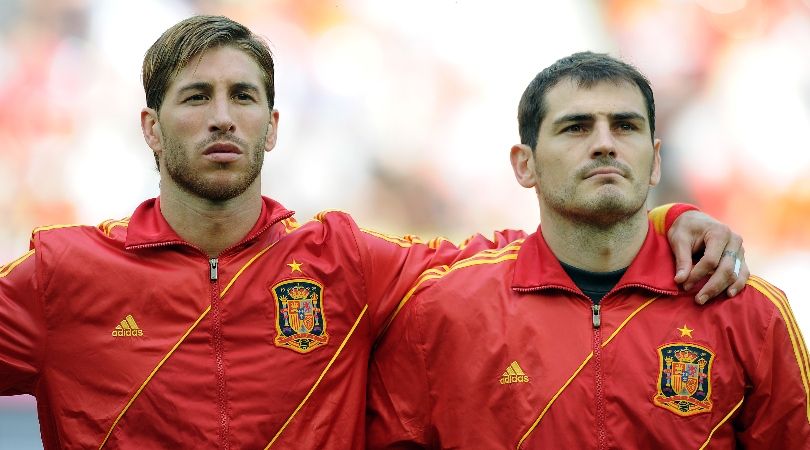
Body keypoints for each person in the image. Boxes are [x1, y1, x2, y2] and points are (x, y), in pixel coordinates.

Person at [0, 16, 746, 449]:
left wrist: (662, 218)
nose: (223, 115)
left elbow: (513, 254)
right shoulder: (63, 271)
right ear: (151, 130)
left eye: (244, 97)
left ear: (273, 126)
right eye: (196, 97)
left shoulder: (344, 259)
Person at [367, 52, 810, 449]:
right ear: (525, 164)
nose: (605, 143)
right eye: (576, 127)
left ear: (654, 161)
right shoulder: (442, 311)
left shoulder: (748, 310)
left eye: (626, 126)